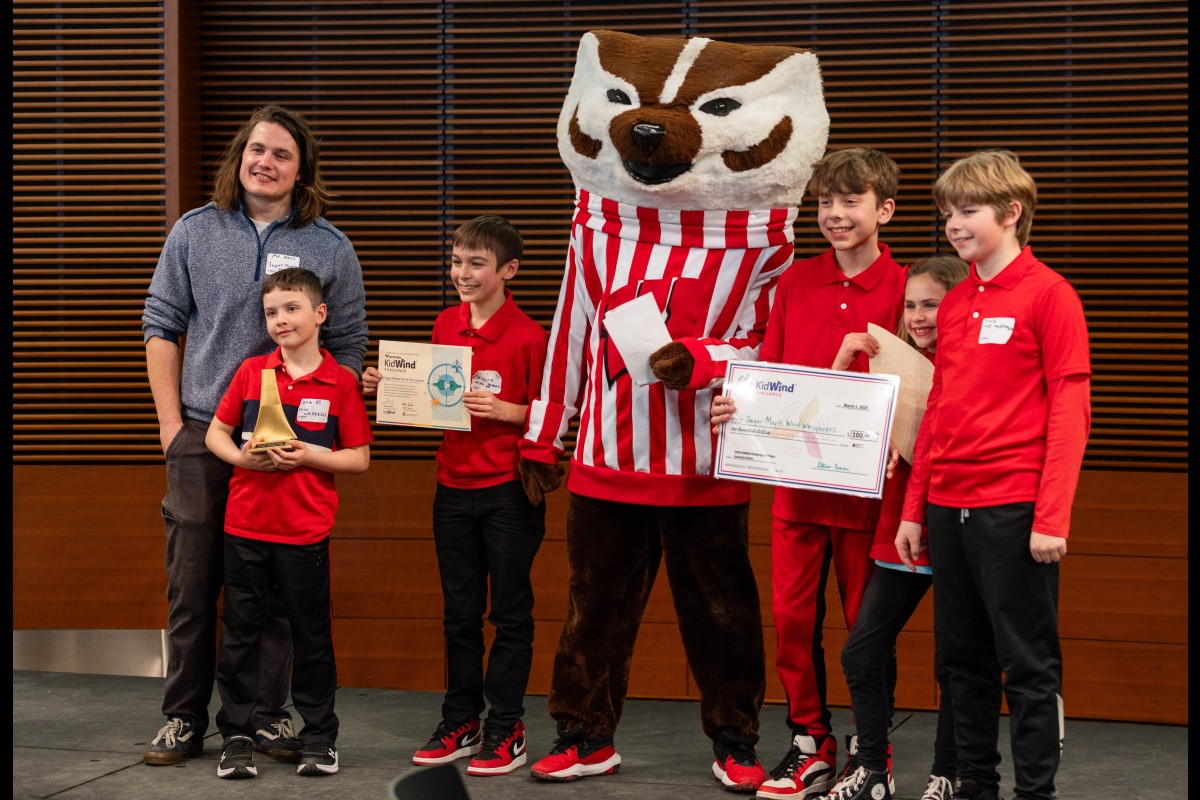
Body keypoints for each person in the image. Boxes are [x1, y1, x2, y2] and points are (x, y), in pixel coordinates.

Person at [140, 105, 368, 766]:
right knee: (191, 586)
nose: (264, 162)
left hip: (292, 447)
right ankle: (183, 717)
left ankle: (265, 717)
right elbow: (160, 323)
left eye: (281, 155)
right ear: (240, 156)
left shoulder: (331, 246)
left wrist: (318, 419)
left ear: (302, 172)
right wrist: (171, 428)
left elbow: (348, 345)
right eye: (256, 150)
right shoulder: (194, 231)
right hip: (207, 434)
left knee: (271, 595)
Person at [712, 147, 907, 800]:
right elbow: (771, 376)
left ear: (884, 209)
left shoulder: (909, 289)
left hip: (867, 501)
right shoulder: (792, 284)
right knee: (793, 624)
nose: (834, 214)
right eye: (824, 202)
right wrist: (736, 410)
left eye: (850, 201)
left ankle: (869, 748)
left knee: (864, 630)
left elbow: (922, 394)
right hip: (796, 492)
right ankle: (809, 741)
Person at [896, 150, 1090, 800]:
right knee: (960, 665)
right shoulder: (957, 304)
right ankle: (974, 784)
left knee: (1028, 669)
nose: (953, 223)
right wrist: (914, 509)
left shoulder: (1050, 295)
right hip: (949, 509)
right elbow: (941, 410)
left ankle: (1036, 794)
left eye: (968, 209)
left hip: (1013, 511)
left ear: (1012, 212)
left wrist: (1051, 518)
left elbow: (1070, 411)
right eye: (947, 211)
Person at [363, 215, 549, 777]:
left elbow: (558, 416)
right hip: (452, 489)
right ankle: (461, 719)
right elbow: (432, 396)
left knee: (510, 615)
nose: (461, 273)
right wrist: (385, 385)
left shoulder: (531, 337)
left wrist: (511, 412)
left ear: (507, 270)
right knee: (459, 615)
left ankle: (506, 726)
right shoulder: (445, 323)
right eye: (456, 261)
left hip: (509, 494)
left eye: (475, 263)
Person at [205, 267, 372, 778]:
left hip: (305, 533)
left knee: (312, 636)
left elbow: (359, 458)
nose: (281, 320)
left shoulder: (341, 381)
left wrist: (309, 456)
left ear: (320, 314)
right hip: (245, 528)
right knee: (239, 635)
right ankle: (236, 735)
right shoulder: (252, 372)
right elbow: (216, 432)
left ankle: (319, 736)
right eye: (271, 312)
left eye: (291, 308)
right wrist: (240, 458)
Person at [813, 255, 969, 800]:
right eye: (911, 305)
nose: (919, 316)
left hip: (955, 525)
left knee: (957, 662)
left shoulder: (971, 365)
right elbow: (825, 428)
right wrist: (840, 360)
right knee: (860, 652)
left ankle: (950, 773)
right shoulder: (890, 366)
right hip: (899, 529)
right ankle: (873, 769)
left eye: (932, 303)